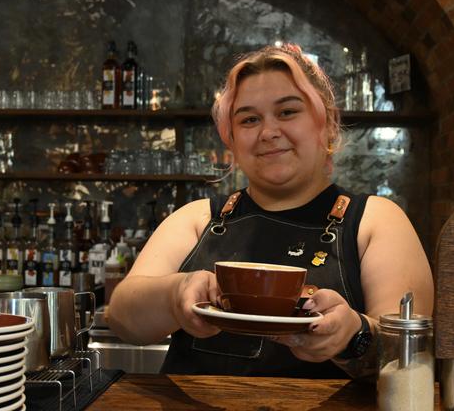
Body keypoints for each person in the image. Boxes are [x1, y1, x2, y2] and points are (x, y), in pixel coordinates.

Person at [108, 43, 434, 379]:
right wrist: (174, 295)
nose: (268, 133)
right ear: (231, 139)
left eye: (288, 112)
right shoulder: (197, 219)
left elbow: (408, 357)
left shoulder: (375, 220)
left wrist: (354, 336)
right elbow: (121, 319)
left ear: (327, 124)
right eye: (249, 119)